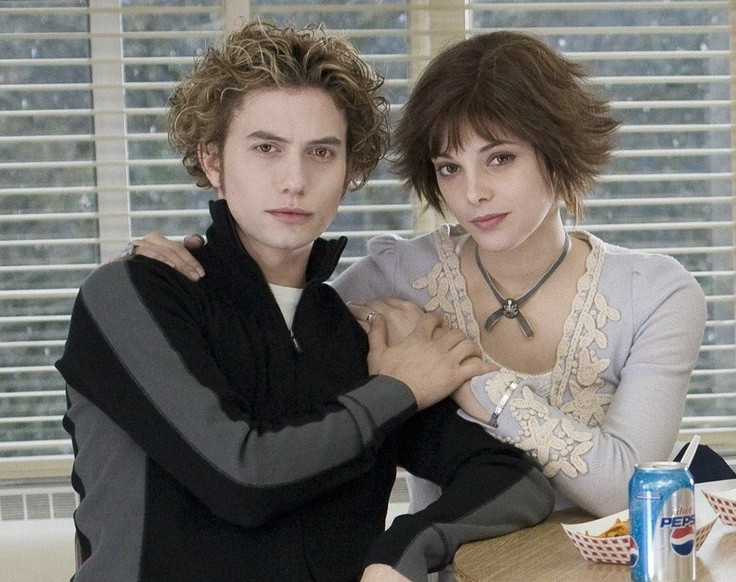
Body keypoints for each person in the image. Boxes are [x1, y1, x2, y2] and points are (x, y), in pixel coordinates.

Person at [138, 30, 708, 520]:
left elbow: (628, 489)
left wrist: (464, 377)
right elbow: (271, 330)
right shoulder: (395, 279)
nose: (474, 192)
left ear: (558, 152)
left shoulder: (657, 296)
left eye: (500, 158)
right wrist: (161, 269)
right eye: (449, 167)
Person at [57, 22, 554, 582]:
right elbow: (241, 477)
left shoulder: (353, 333)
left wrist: (401, 553)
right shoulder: (133, 295)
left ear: (349, 172)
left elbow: (516, 480)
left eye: (321, 152)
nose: (294, 180)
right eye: (266, 148)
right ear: (213, 161)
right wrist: (398, 391)